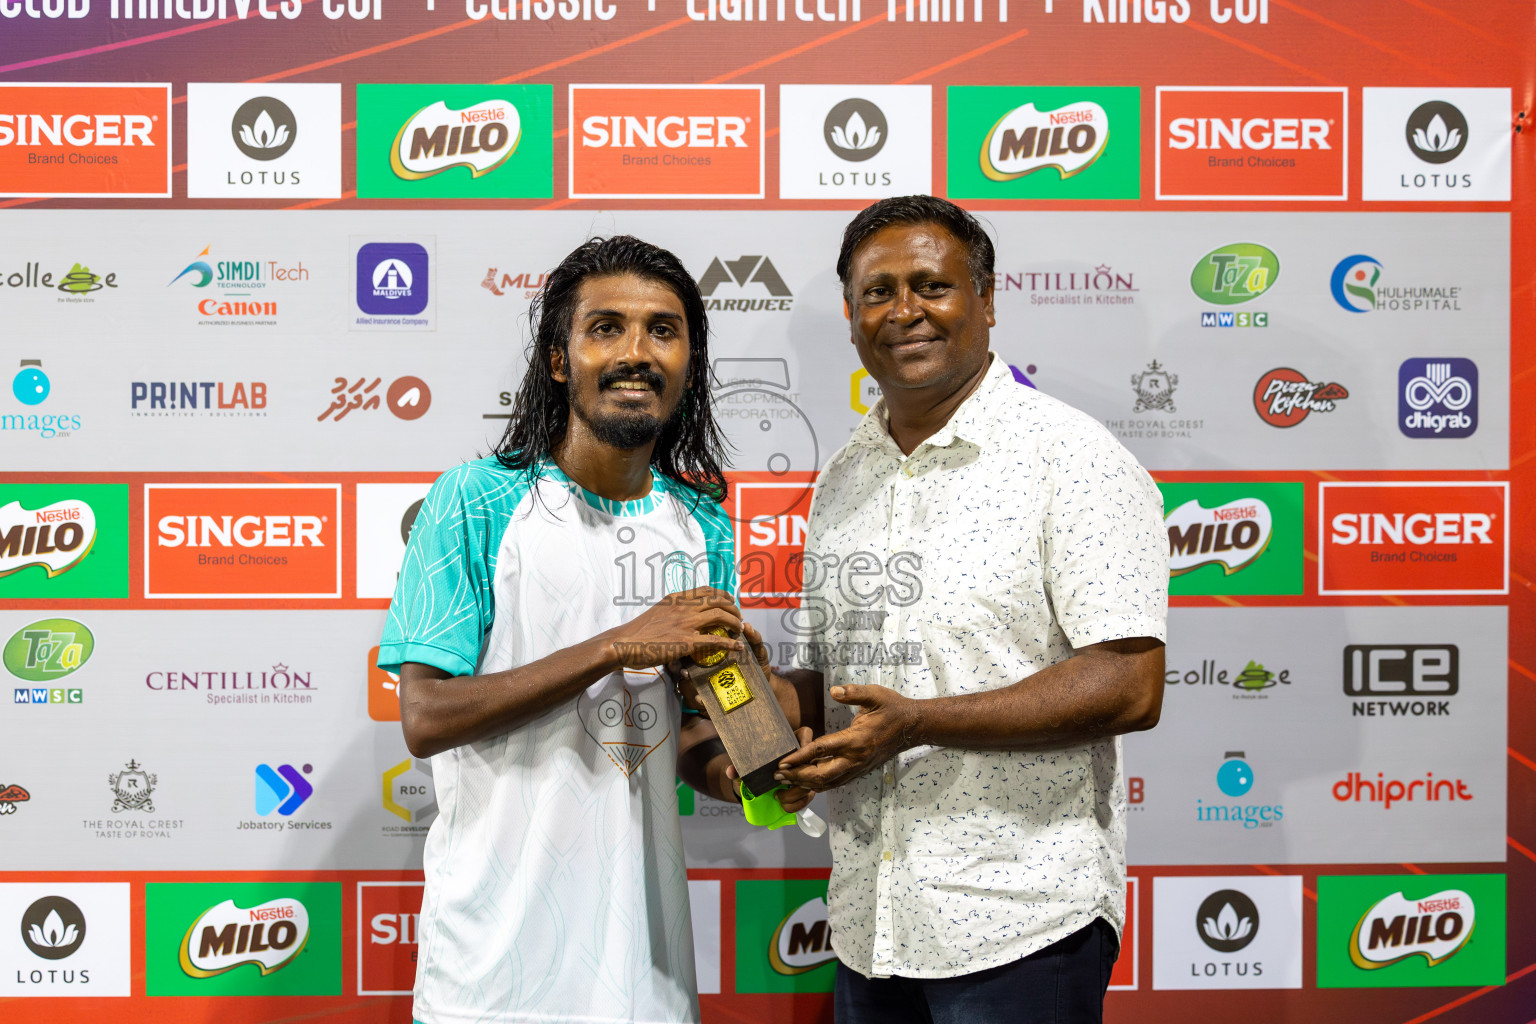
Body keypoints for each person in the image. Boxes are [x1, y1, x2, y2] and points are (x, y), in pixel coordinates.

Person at [770, 196, 1170, 1024]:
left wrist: (918, 722)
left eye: (932, 286)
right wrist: (738, 698)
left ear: (986, 301)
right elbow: (830, 683)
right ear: (850, 319)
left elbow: (1129, 684)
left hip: (1020, 928)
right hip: (868, 926)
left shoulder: (1074, 458)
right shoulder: (843, 479)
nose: (904, 311)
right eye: (877, 292)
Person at [379, 235, 758, 1024]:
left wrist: (749, 768)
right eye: (605, 327)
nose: (636, 352)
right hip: (493, 972)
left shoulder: (704, 527)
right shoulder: (475, 501)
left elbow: (686, 734)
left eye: (663, 330)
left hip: (645, 976)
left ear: (689, 362)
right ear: (559, 360)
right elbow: (427, 719)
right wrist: (620, 644)